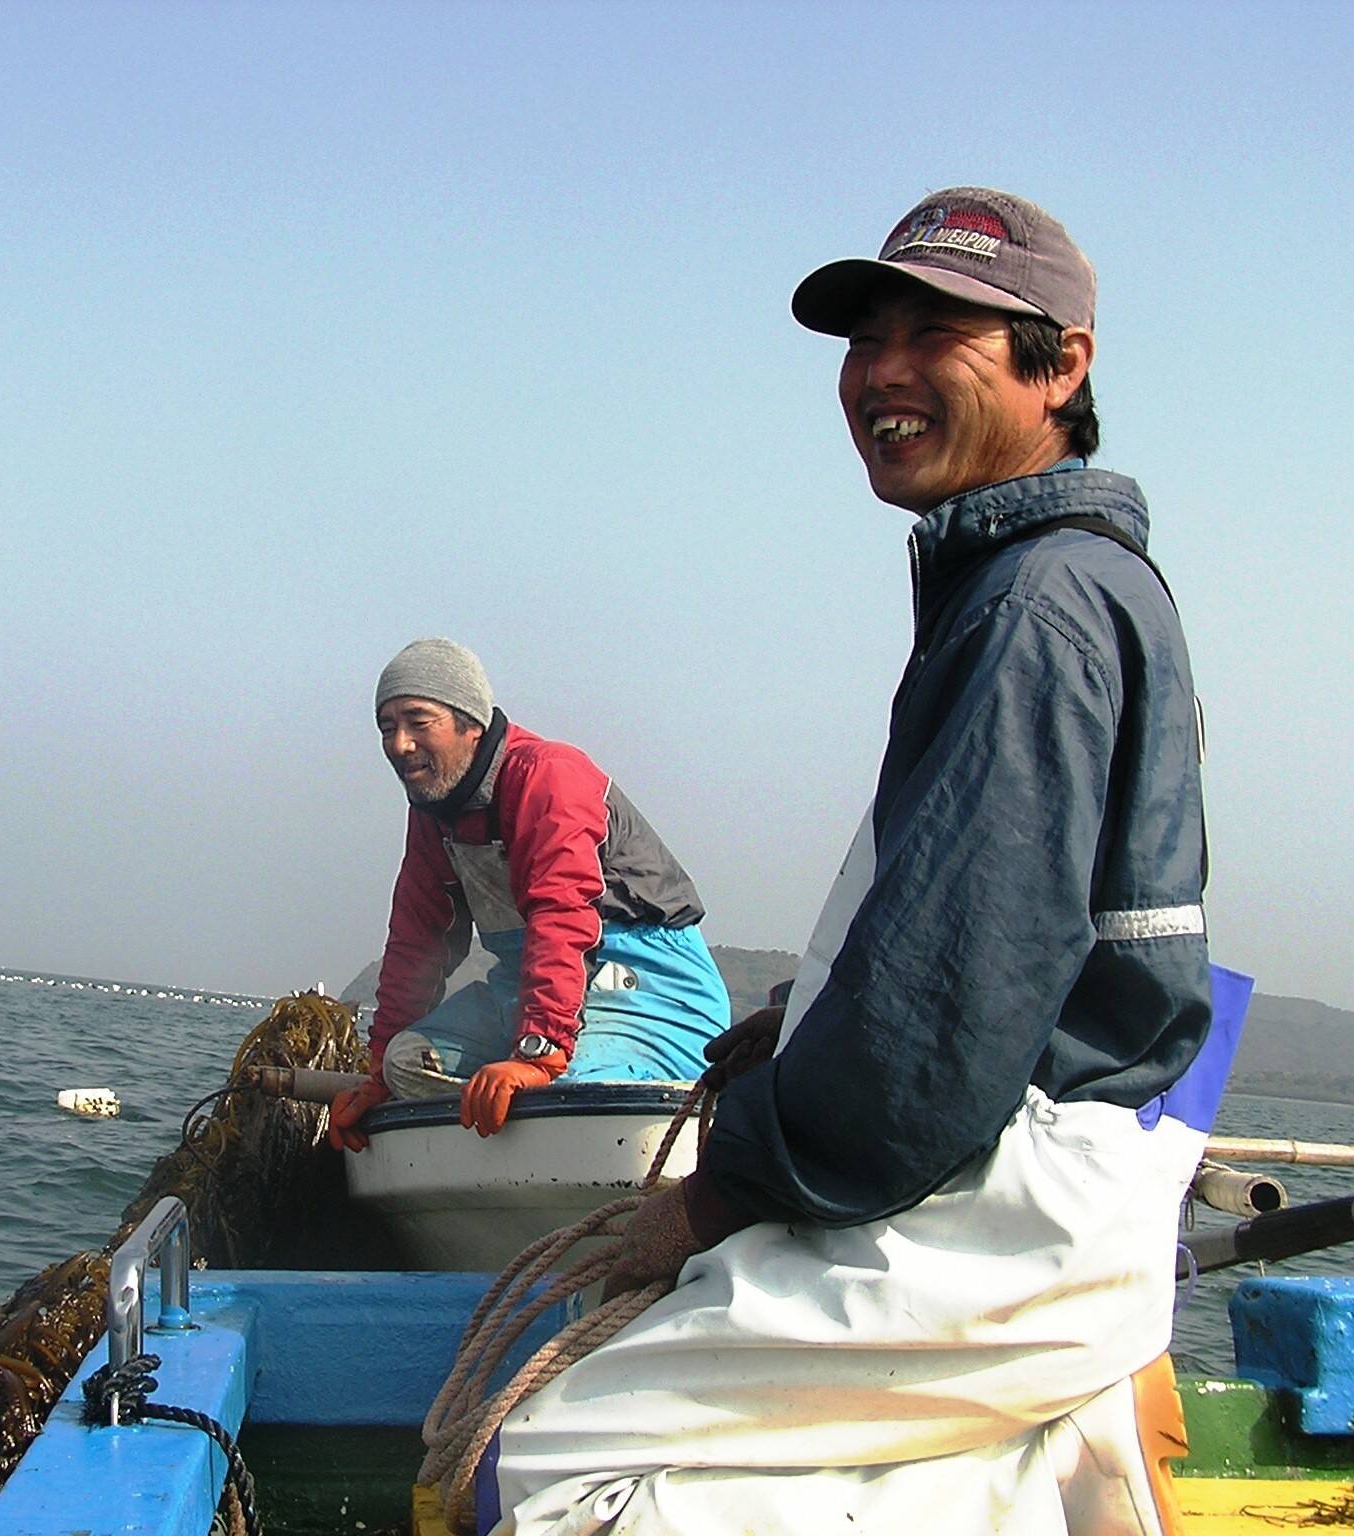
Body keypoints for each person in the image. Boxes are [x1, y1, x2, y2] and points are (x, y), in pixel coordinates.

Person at [487, 188, 1220, 1533]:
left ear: (1063, 362)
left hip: (1005, 1202)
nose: (880, 370)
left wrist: (716, 1200)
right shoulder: (1047, 583)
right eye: (863, 334)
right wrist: (792, 1024)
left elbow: (932, 1030)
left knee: (547, 1470)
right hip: (1027, 1184)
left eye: (936, 333)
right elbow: (989, 942)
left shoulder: (1036, 609)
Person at [328, 638, 731, 1148]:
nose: (399, 743)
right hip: (521, 992)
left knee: (569, 1092)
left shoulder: (550, 775)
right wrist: (379, 1077)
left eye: (417, 721)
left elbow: (561, 914)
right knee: (409, 1064)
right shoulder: (432, 814)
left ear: (470, 722)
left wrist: (537, 1054)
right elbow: (417, 943)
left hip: (650, 989)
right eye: (387, 728)